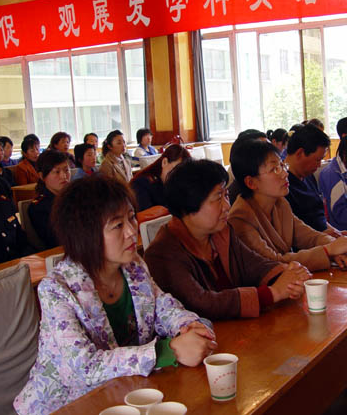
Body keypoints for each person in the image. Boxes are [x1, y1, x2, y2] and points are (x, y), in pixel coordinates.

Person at [14, 175, 216, 415]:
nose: (131, 231)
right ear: (86, 234)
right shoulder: (56, 289)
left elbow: (163, 307)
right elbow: (85, 368)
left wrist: (189, 326)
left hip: (125, 394)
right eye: (118, 225)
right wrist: (167, 351)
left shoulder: (133, 265)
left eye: (131, 217)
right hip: (67, 404)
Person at [144, 159, 311, 321]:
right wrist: (273, 293)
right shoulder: (162, 253)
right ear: (189, 203)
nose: (227, 206)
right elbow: (201, 303)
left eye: (226, 195)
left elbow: (254, 265)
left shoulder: (221, 231)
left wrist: (288, 274)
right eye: (218, 198)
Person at [229, 139, 347, 271]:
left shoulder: (280, 204)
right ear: (251, 182)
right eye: (275, 169)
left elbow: (310, 237)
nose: (285, 173)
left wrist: (336, 246)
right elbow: (273, 263)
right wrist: (328, 251)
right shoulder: (240, 219)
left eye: (282, 165)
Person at [284, 124, 340, 234]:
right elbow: (294, 232)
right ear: (300, 153)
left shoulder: (308, 175)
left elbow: (319, 217)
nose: (319, 165)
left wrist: (336, 232)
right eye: (317, 160)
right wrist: (324, 237)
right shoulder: (283, 185)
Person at [29, 150, 71, 249]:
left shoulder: (77, 197)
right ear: (42, 176)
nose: (64, 176)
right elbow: (56, 240)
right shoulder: (39, 207)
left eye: (66, 170)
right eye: (57, 172)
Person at [131, 144, 191, 211]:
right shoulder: (141, 183)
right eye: (176, 171)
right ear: (164, 162)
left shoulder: (178, 184)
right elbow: (145, 214)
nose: (178, 177)